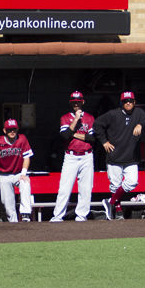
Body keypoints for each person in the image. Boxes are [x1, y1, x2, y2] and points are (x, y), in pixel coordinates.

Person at [94, 91, 145, 220]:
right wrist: (104, 141)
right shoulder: (113, 114)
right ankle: (118, 210)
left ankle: (109, 202)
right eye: (125, 101)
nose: (128, 103)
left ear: (134, 102)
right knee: (115, 185)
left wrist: (140, 124)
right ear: (121, 103)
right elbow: (97, 124)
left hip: (131, 157)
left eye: (130, 101)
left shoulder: (139, 113)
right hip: (114, 156)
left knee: (132, 182)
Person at [50, 92, 95, 223]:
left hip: (87, 155)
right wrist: (76, 119)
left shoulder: (90, 118)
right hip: (71, 156)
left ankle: (81, 216)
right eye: (74, 101)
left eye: (79, 101)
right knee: (65, 188)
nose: (77, 103)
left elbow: (92, 138)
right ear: (71, 103)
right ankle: (58, 216)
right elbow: (64, 136)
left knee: (86, 189)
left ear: (83, 102)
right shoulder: (65, 117)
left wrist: (74, 134)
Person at [0, 118, 34, 222]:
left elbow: (27, 157)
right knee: (7, 202)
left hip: (18, 173)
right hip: (4, 174)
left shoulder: (22, 139)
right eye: (10, 129)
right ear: (4, 130)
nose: (12, 132)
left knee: (25, 183)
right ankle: (13, 222)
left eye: (14, 129)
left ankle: (25, 214)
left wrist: (24, 173)